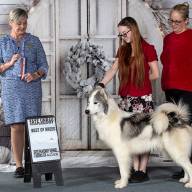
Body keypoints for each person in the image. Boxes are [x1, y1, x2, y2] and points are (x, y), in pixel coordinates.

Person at [99, 16, 159, 182]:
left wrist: (140, 80)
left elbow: (155, 73)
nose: (123, 37)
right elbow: (112, 69)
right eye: (120, 35)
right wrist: (101, 84)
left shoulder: (148, 48)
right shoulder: (123, 50)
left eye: (125, 33)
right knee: (130, 135)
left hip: (143, 99)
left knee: (144, 135)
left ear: (134, 29)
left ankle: (142, 170)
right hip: (126, 100)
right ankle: (133, 168)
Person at [0, 8, 48, 178]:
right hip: (11, 88)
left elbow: (44, 66)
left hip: (31, 88)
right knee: (16, 126)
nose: (22, 26)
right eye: (19, 23)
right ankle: (19, 165)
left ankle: (33, 163)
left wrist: (35, 74)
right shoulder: (2, 42)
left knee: (32, 126)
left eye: (25, 23)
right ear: (11, 23)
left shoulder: (34, 41)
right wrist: (8, 63)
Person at [161, 2, 192, 180]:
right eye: (171, 21)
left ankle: (190, 167)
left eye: (177, 22)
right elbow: (165, 60)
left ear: (186, 21)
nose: (173, 25)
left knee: (186, 128)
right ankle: (184, 166)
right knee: (176, 128)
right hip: (171, 88)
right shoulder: (168, 38)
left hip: (188, 88)